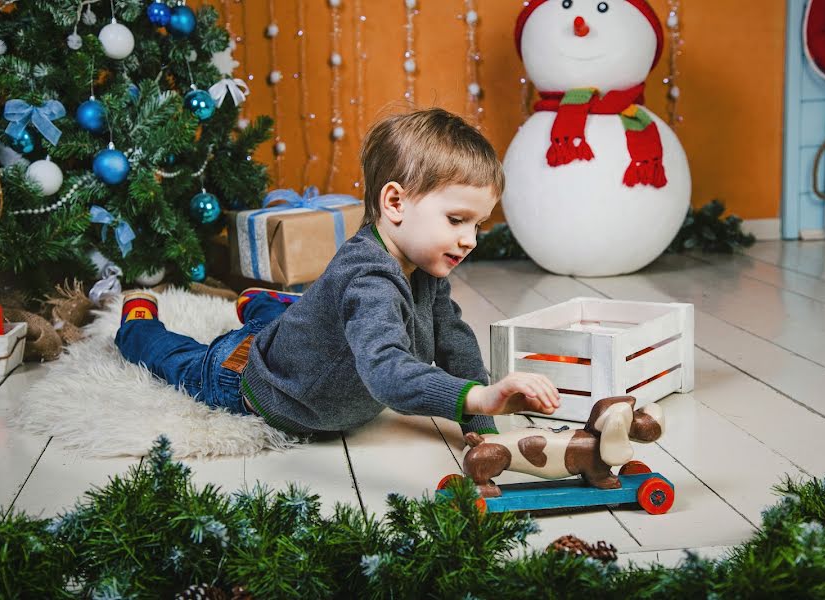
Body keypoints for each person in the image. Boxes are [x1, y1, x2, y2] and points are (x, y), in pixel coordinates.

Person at [115, 108, 561, 436]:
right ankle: (138, 322)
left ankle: (265, 306)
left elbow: (455, 342)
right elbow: (386, 371)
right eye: (457, 220)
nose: (471, 240)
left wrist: (479, 425)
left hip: (302, 345)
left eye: (478, 225)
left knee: (309, 316)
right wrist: (477, 397)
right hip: (251, 381)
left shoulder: (426, 269)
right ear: (395, 203)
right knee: (174, 359)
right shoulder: (368, 280)